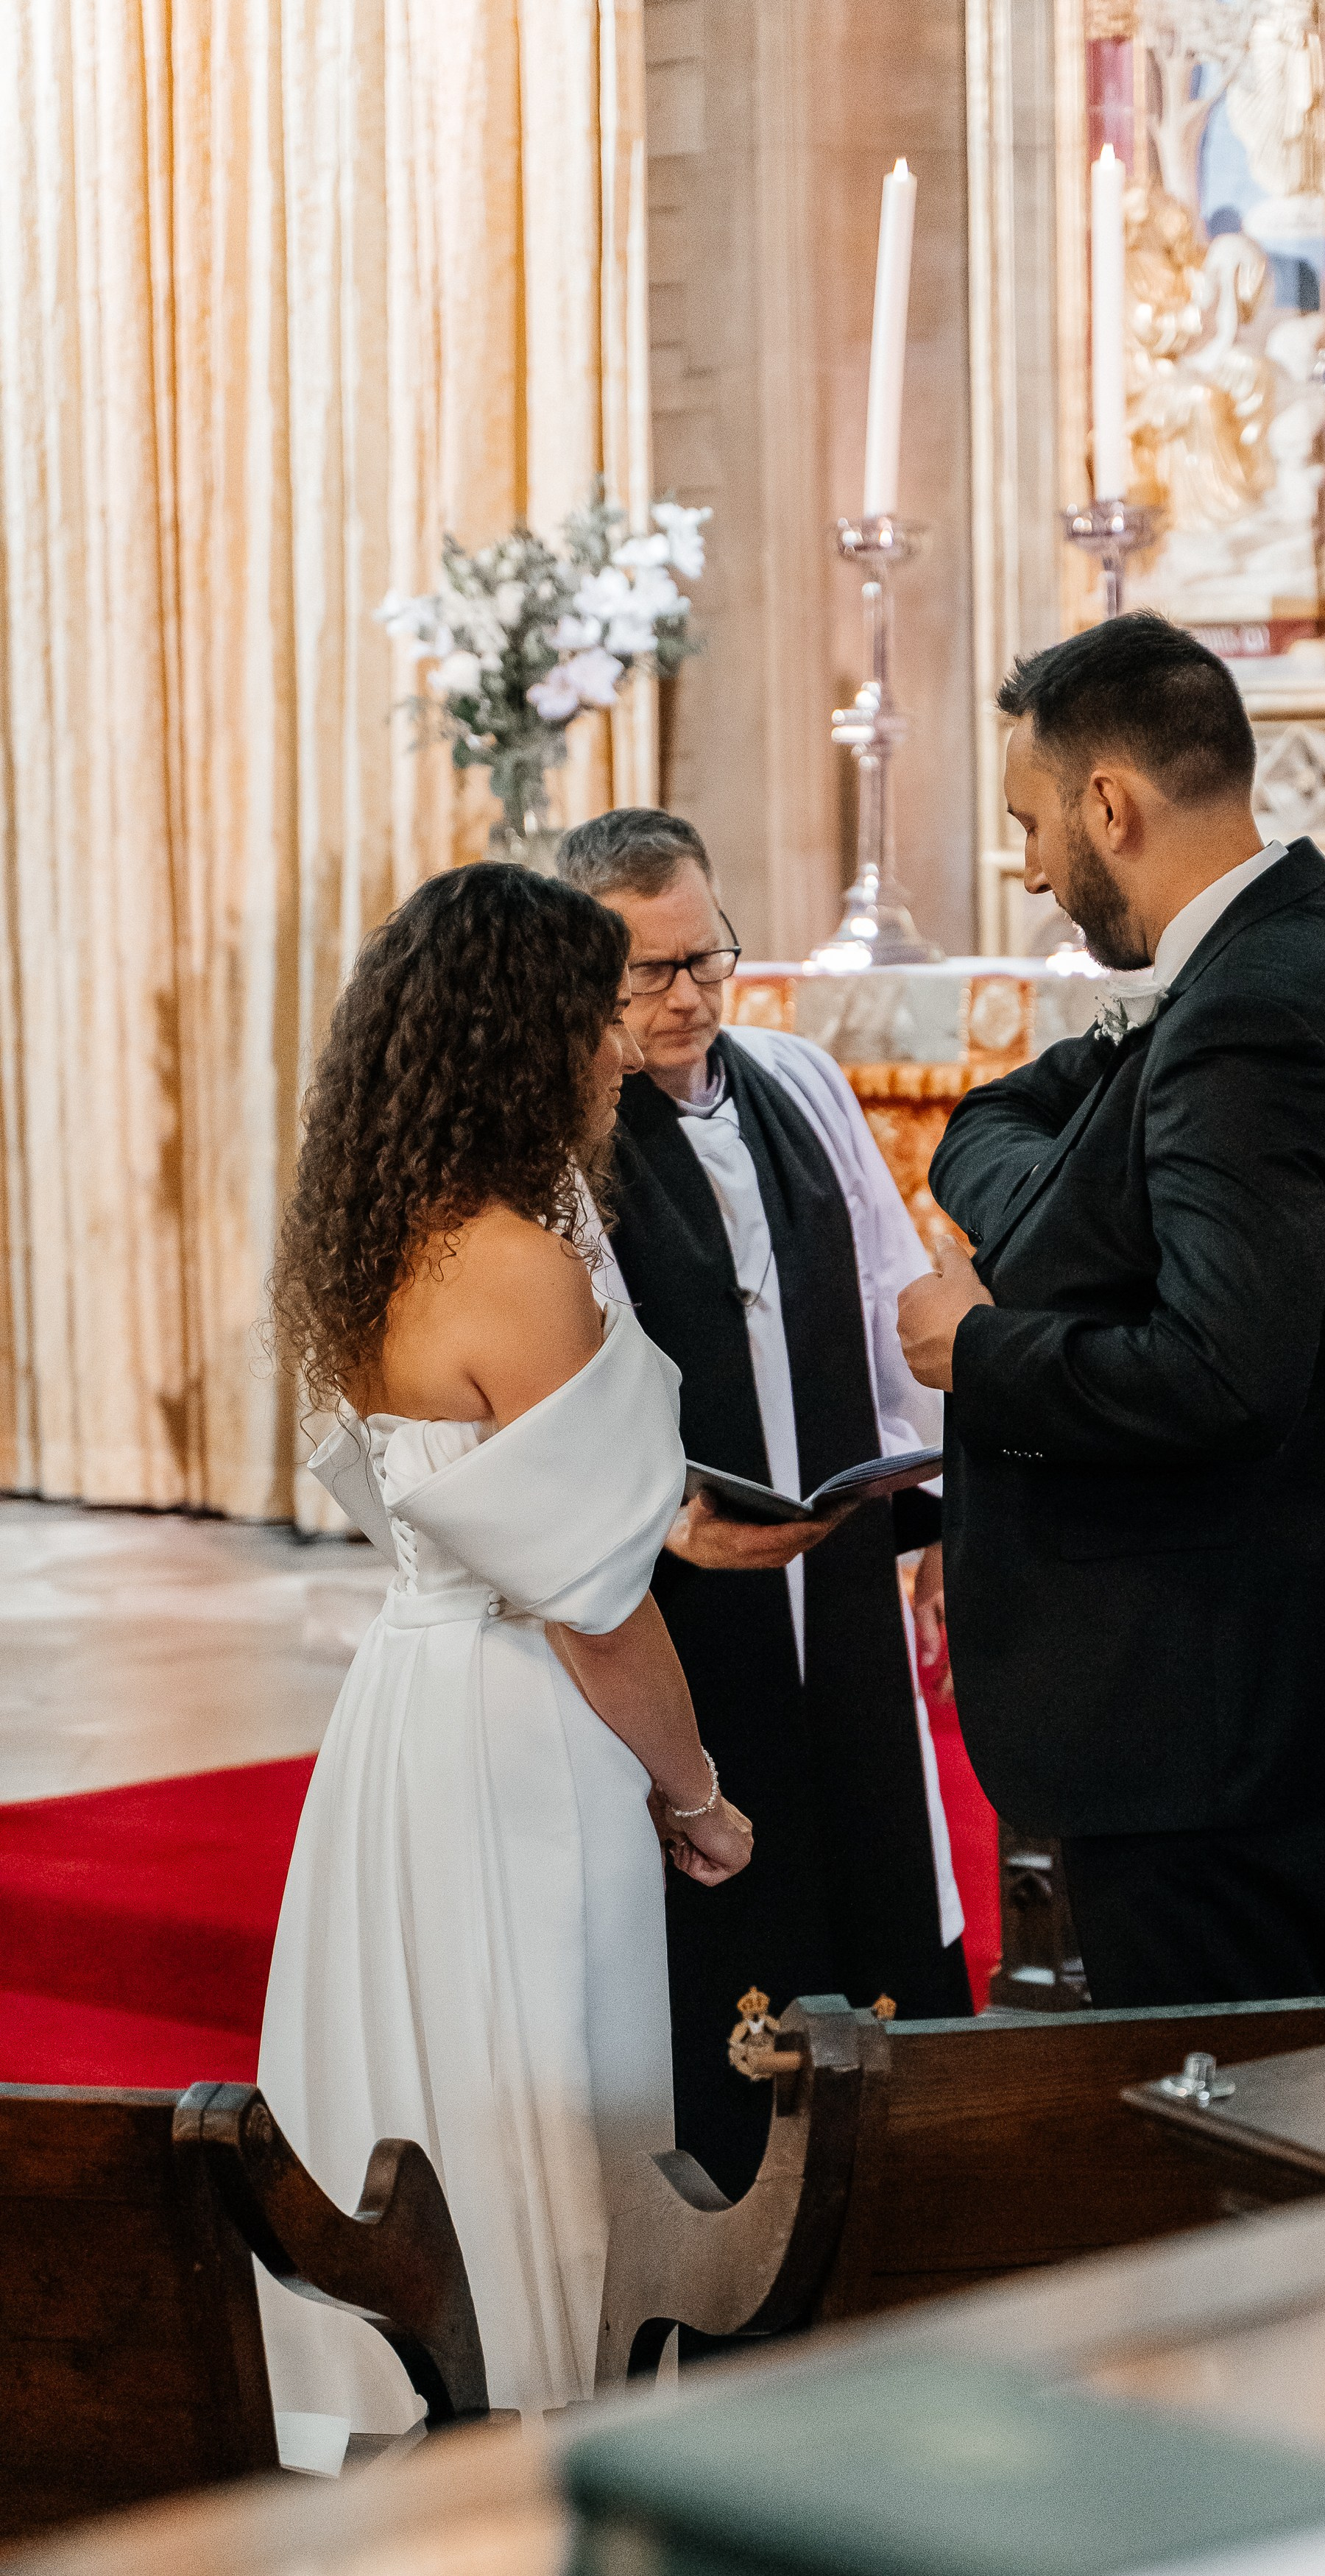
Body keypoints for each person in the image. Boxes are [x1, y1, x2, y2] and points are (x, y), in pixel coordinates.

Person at [261, 863, 752, 2429]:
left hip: (403, 1714)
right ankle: (545, 2409)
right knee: (539, 2087)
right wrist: (695, 1794)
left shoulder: (368, 1244)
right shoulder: (519, 1269)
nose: (618, 1046)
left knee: (415, 2067)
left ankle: (395, 2406)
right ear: (516, 1039)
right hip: (520, 1728)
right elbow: (595, 1605)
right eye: (592, 1017)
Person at [900, 614, 1325, 2011]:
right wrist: (1058, 1216)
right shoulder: (1313, 950)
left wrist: (978, 1348)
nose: (1031, 869)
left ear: (1109, 805)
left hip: (1202, 1710)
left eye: (1030, 824)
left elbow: (1218, 1369)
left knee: (1233, 2111)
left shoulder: (1249, 1010)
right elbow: (994, 1118)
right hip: (1243, 1692)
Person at [556, 809, 969, 2206]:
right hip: (684, 1573)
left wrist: (939, 1497)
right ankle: (736, 2193)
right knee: (729, 1873)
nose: (687, 997)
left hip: (836, 1557)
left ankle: (896, 2173)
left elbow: (892, 1291)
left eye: (707, 958)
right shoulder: (570, 1135)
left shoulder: (798, 1079)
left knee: (871, 1840)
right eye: (649, 972)